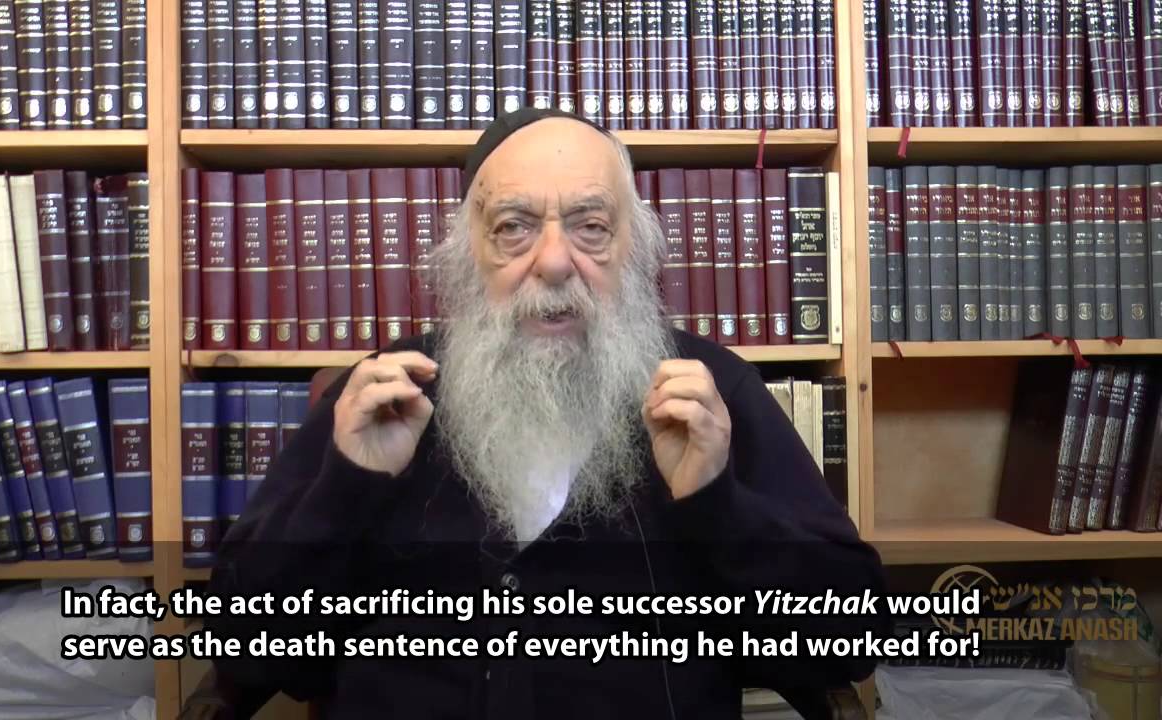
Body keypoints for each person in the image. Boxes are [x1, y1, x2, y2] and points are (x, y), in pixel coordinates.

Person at [195, 108, 890, 720]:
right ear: (467, 254)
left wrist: (716, 505)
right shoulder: (380, 399)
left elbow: (847, 643)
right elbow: (243, 648)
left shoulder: (712, 395)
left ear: (635, 249)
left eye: (591, 227)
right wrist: (345, 490)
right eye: (513, 228)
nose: (554, 262)